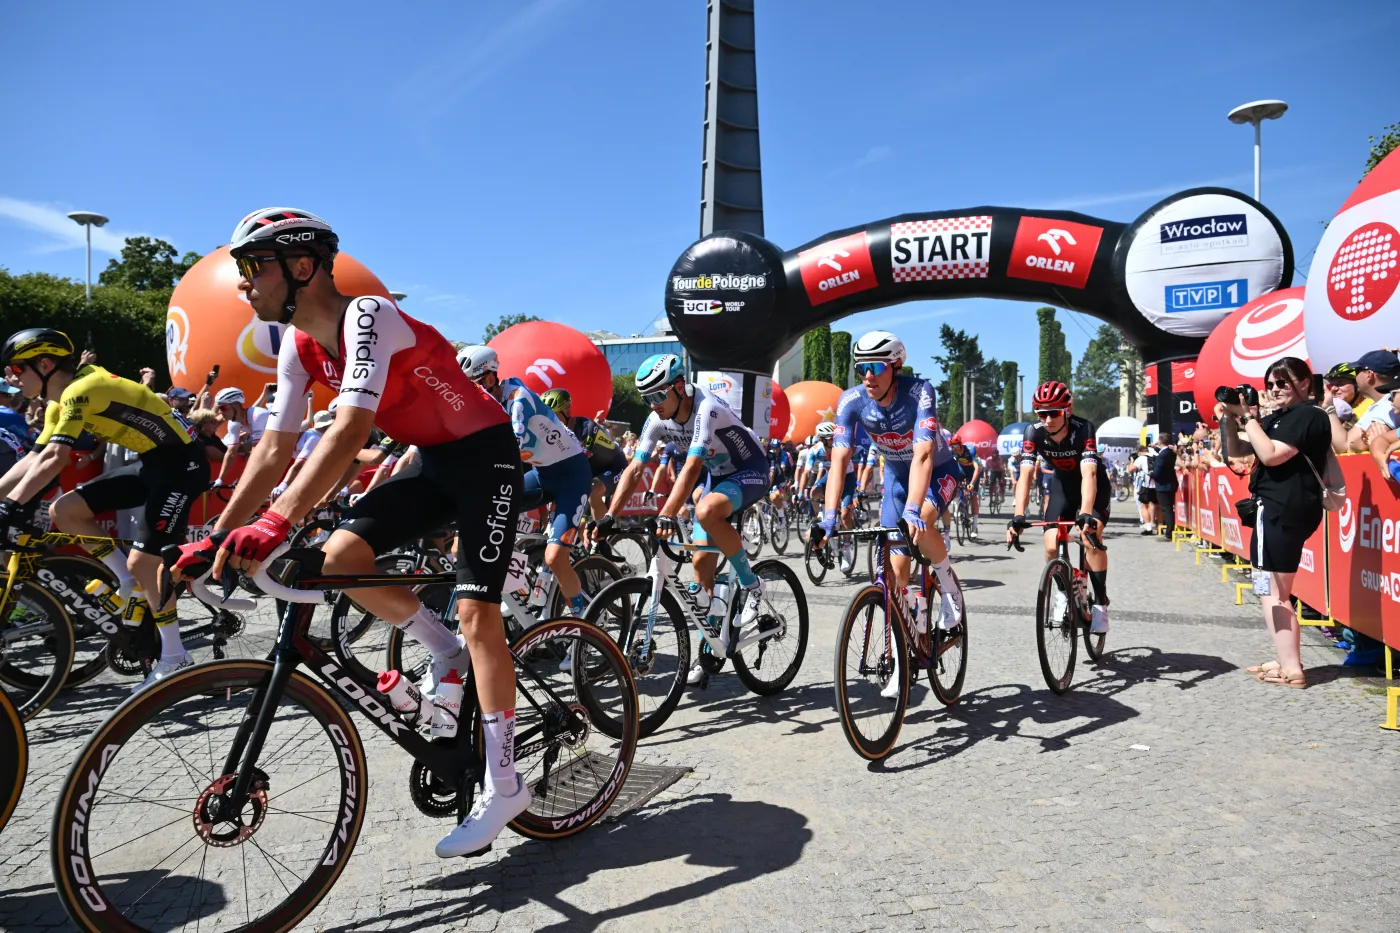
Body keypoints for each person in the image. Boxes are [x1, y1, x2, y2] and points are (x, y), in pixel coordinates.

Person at [170, 207, 528, 857]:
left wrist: (277, 520)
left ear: (301, 267)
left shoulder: (369, 316)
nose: (243, 284)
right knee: (338, 559)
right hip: (429, 459)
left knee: (480, 616)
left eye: (253, 268)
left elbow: (350, 431)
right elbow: (275, 449)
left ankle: (504, 784)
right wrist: (220, 532)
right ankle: (440, 650)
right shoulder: (298, 347)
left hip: (485, 456)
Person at [0, 328, 211, 688]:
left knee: (145, 562)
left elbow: (55, 457)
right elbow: (32, 459)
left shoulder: (82, 390)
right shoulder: (57, 402)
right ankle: (127, 581)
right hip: (151, 463)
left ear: (45, 364)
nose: (9, 378)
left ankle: (175, 656)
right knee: (65, 512)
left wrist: (9, 507)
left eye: (16, 370)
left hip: (182, 467)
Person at [597, 353, 770, 686]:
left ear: (680, 386)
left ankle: (753, 585)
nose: (653, 405)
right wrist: (608, 515)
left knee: (704, 509)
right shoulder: (657, 418)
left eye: (658, 396)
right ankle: (711, 649)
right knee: (700, 567)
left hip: (751, 471)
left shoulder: (707, 408)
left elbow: (691, 469)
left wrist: (664, 514)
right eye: (647, 398)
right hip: (719, 476)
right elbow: (635, 468)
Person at [814, 331, 965, 649]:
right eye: (862, 368)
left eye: (877, 367)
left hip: (936, 473)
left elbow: (923, 455)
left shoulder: (919, 392)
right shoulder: (851, 401)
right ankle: (909, 624)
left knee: (920, 523)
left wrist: (913, 508)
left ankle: (950, 588)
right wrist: (828, 516)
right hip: (897, 480)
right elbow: (839, 462)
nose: (868, 376)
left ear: (896, 366)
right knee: (895, 576)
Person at [1219, 357, 1331, 689]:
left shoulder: (1308, 415)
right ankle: (1284, 658)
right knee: (1271, 590)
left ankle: (1292, 668)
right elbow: (1239, 448)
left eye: (1283, 382)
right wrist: (1230, 418)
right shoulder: (1278, 418)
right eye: (1270, 384)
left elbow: (1269, 455)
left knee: (1274, 592)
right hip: (1275, 510)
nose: (1274, 389)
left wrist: (1250, 417)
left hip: (1282, 509)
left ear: (1305, 383)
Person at [459, 347, 594, 618]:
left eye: (472, 386)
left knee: (554, 558)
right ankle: (514, 589)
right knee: (493, 519)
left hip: (572, 476)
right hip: (543, 474)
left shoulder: (518, 399)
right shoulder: (488, 405)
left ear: (489, 379)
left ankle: (585, 620)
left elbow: (511, 446)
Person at [1006, 381, 1111, 635]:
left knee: (1090, 536)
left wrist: (1086, 512)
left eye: (1054, 412)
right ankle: (1063, 595)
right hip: (1062, 486)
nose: (1048, 419)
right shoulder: (1033, 432)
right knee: (1051, 545)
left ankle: (1100, 605)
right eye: (1042, 413)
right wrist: (1018, 515)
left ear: (1067, 410)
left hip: (1092, 485)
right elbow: (1027, 473)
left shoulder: (1083, 428)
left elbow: (1089, 473)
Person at [540, 387, 627, 521]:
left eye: (554, 415)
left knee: (593, 491)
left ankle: (602, 535)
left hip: (614, 467)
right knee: (579, 524)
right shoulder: (554, 433)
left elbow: (577, 467)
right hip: (591, 472)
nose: (550, 421)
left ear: (567, 410)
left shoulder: (587, 428)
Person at [811, 421, 859, 571]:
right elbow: (807, 471)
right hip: (830, 475)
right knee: (813, 492)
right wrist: (800, 489)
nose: (835, 440)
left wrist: (855, 492)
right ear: (823, 439)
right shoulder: (816, 450)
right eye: (832, 438)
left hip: (847, 477)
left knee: (845, 514)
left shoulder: (843, 446)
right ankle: (820, 516)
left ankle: (846, 549)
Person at [211, 386, 271, 487]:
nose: (220, 412)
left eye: (223, 407)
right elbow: (231, 452)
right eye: (218, 408)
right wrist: (220, 479)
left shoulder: (257, 416)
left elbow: (257, 450)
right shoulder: (233, 423)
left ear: (236, 406)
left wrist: (245, 479)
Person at [949, 435, 982, 537]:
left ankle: (974, 527)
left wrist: (972, 483)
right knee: (954, 483)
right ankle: (958, 504)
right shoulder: (952, 452)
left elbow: (977, 468)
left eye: (955, 445)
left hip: (973, 471)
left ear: (960, 444)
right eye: (951, 445)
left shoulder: (970, 450)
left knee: (973, 496)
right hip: (962, 470)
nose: (953, 447)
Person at [1151, 436, 1179, 540]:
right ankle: (1170, 530)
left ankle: (1169, 533)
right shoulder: (1170, 452)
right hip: (1171, 483)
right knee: (1169, 509)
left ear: (1161, 441)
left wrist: (1151, 474)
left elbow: (1157, 472)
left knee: (1166, 510)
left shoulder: (1162, 455)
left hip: (1163, 485)